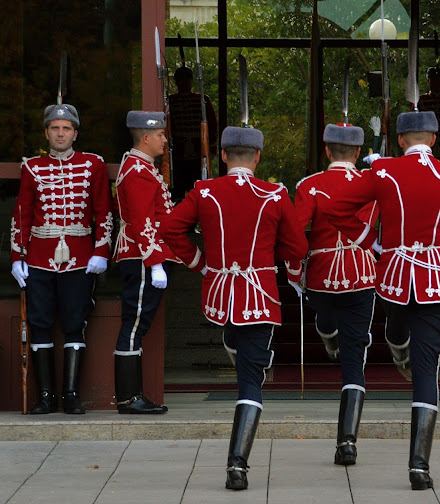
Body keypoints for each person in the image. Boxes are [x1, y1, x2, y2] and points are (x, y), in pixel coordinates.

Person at [325, 111, 440, 490]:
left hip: (395, 274)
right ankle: (419, 467)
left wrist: (371, 241)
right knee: (427, 371)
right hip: (435, 278)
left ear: (400, 140)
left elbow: (336, 208)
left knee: (396, 327)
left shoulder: (384, 172)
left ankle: (398, 341)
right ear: (433, 140)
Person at [160, 126, 308, 491]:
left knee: (240, 351)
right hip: (260, 296)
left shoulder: (204, 191)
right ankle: (237, 466)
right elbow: (298, 249)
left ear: (223, 156)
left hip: (221, 294)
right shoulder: (274, 194)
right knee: (251, 382)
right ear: (257, 157)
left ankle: (234, 343)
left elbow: (168, 229)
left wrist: (200, 263)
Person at [10, 103, 113, 415]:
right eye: (55, 128)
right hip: (40, 257)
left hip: (81, 257)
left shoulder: (93, 165)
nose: (60, 133)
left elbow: (102, 212)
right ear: (46, 132)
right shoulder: (32, 168)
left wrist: (101, 250)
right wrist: (18, 256)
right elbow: (22, 214)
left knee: (74, 324)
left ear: (75, 133)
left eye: (66, 128)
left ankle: (70, 395)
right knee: (40, 324)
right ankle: (44, 396)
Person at [287, 123, 378, 466]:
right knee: (355, 361)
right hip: (361, 272)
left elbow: (296, 234)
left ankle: (328, 336)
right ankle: (347, 442)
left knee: (325, 322)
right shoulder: (373, 182)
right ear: (356, 152)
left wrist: (295, 273)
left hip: (322, 275)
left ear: (327, 150)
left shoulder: (310, 186)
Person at [112, 111, 179, 414]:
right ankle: (128, 398)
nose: (165, 140)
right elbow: (141, 221)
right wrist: (154, 262)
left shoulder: (143, 166)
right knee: (134, 324)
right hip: (140, 255)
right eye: (161, 135)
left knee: (138, 324)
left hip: (144, 254)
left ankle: (132, 396)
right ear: (146, 137)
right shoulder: (138, 170)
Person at [168, 66, 218, 200]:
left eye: (187, 79)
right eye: (181, 80)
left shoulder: (202, 100)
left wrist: (211, 148)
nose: (184, 83)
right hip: (177, 153)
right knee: (177, 191)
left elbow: (212, 125)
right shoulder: (170, 101)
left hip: (198, 153)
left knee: (197, 190)